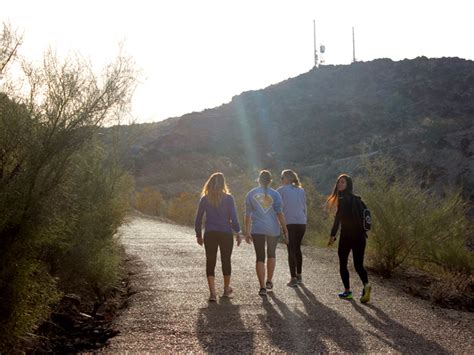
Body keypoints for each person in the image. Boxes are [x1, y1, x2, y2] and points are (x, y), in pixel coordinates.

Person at [195, 172, 242, 302]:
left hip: (210, 234)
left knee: (210, 261)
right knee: (226, 260)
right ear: (223, 183)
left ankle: (212, 294)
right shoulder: (228, 198)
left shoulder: (205, 199)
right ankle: (226, 290)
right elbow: (234, 217)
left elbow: (198, 219)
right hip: (226, 233)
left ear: (209, 183)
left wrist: (198, 235)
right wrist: (238, 232)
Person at [327, 174, 371, 303]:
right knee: (358, 265)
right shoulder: (359, 200)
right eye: (338, 182)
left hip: (347, 237)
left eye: (342, 182)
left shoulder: (343, 199)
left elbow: (338, 219)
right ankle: (366, 285)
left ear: (348, 185)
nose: (339, 184)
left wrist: (332, 235)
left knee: (343, 264)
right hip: (361, 237)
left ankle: (347, 292)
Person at [244, 170, 288, 297]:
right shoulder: (275, 194)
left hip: (257, 229)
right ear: (270, 181)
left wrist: (247, 231)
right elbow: (280, 213)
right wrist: (285, 230)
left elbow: (247, 215)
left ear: (258, 179)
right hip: (272, 229)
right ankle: (269, 280)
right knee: (271, 254)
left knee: (259, 257)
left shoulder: (251, 194)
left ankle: (262, 287)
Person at [277, 169, 307, 287]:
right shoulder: (301, 190)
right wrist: (305, 221)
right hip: (301, 222)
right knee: (297, 248)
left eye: (282, 177)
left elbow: (277, 208)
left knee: (291, 249)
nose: (281, 179)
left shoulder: (280, 190)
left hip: (289, 223)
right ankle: (299, 275)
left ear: (286, 178)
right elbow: (305, 207)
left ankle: (293, 278)